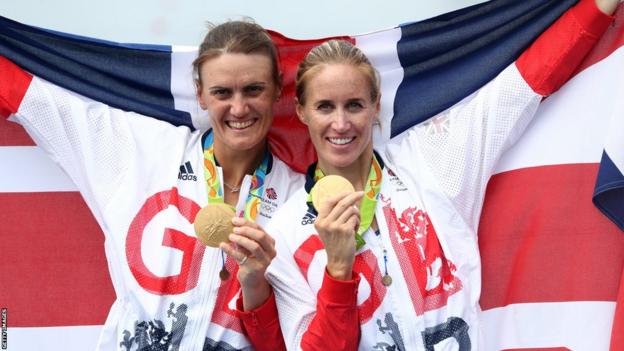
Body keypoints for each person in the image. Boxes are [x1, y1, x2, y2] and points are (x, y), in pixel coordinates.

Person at [265, 0, 620, 349]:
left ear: (376, 105)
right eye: (325, 107)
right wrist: (338, 271)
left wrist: (599, 7)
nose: (340, 124)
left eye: (354, 105)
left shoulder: (429, 162)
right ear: (301, 111)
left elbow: (520, 87)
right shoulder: (284, 234)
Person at [0, 20, 302, 350]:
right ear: (200, 94)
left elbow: (288, 341)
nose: (239, 107)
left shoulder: (297, 198)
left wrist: (256, 285)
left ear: (277, 90)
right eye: (222, 92)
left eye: (254, 89)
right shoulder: (139, 150)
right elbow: (30, 99)